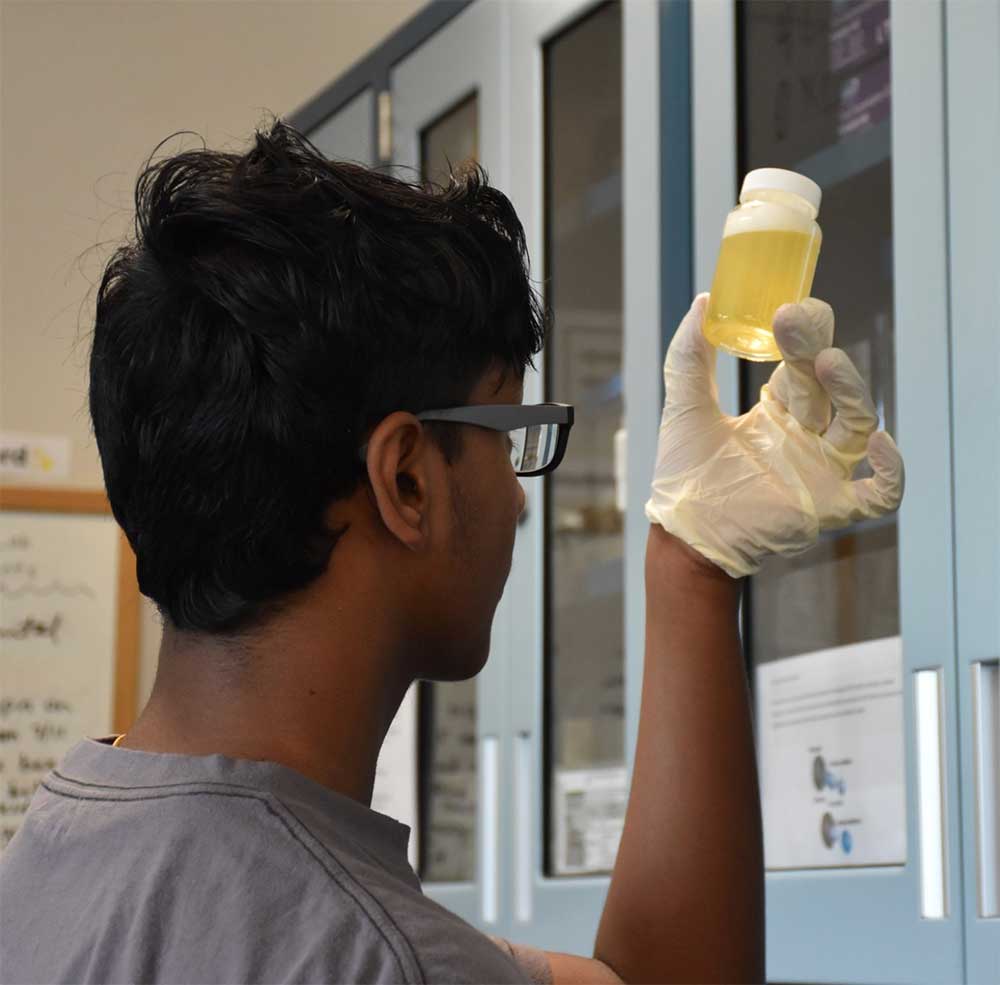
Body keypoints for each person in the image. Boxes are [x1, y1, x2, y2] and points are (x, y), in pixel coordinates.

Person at [0, 120, 903, 985]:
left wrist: (692, 562)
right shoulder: (376, 955)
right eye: (507, 434)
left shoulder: (49, 855)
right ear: (406, 481)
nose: (515, 498)